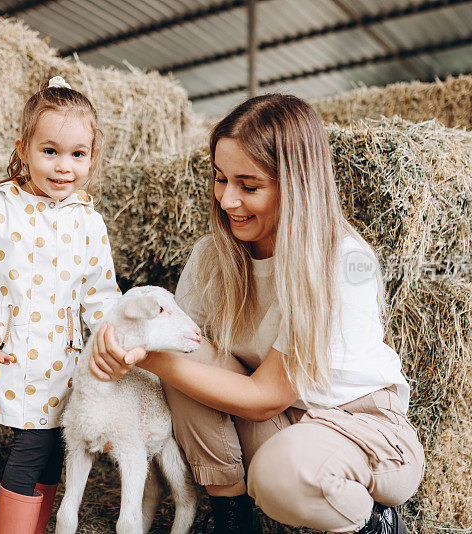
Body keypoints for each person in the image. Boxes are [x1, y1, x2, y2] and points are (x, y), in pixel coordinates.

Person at [90, 94, 425, 534]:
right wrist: (122, 344)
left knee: (279, 475)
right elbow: (180, 349)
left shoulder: (341, 263)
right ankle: (233, 519)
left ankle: (375, 523)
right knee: (184, 357)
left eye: (249, 186)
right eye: (220, 178)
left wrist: (146, 357)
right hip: (275, 425)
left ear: (296, 186)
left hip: (359, 427)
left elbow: (268, 395)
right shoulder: (214, 256)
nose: (228, 200)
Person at [0, 76, 120, 534]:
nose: (64, 167)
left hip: (66, 360)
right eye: (50, 151)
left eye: (78, 154)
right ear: (24, 149)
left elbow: (100, 294)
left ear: (92, 156)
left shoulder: (90, 222)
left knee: (56, 446)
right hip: (16, 353)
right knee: (34, 446)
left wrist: (111, 347)